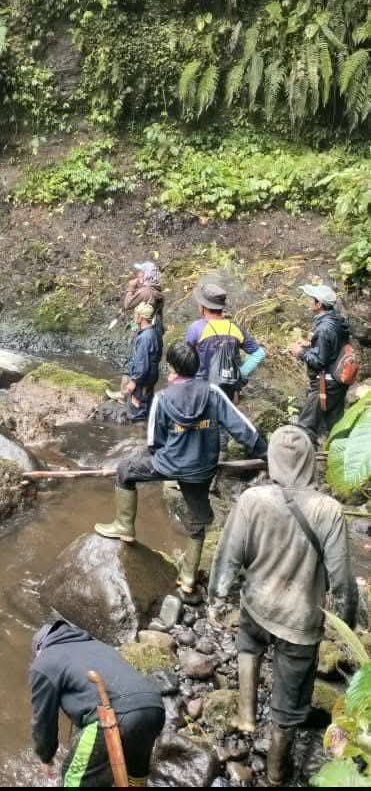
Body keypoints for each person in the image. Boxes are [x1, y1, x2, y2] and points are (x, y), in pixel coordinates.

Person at [209, 425, 357, 786]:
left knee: (249, 644)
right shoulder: (329, 510)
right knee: (289, 700)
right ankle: (276, 772)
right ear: (310, 463)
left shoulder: (252, 499)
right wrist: (346, 623)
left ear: (272, 459)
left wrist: (217, 597)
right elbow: (342, 579)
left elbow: (228, 556)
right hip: (300, 620)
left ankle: (246, 717)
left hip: (257, 605)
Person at [95, 341, 267, 595]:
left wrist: (169, 457)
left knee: (124, 471)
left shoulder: (163, 398)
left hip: (169, 464)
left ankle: (125, 526)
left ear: (172, 368)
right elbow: (242, 428)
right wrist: (267, 454)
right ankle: (187, 578)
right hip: (201, 469)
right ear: (197, 367)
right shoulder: (213, 392)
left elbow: (154, 442)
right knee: (197, 522)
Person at [29, 619, 165, 788]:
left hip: (113, 716)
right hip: (154, 706)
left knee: (74, 779)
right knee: (135, 773)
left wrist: (45, 758)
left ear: (39, 649)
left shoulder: (43, 663)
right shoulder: (96, 646)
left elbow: (43, 720)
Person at [289, 283, 352, 441]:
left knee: (305, 427)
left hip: (325, 385)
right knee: (336, 427)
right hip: (337, 383)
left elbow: (319, 362)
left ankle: (300, 461)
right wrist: (311, 345)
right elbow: (333, 349)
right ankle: (338, 459)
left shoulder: (324, 328)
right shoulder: (337, 321)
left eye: (312, 299)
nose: (309, 302)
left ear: (319, 304)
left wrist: (301, 352)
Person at [184, 282, 265, 402]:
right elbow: (259, 354)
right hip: (230, 392)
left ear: (203, 307)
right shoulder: (235, 328)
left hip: (203, 391)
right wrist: (241, 374)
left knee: (205, 421)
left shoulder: (196, 328)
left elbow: (184, 359)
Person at [124, 303, 163, 422]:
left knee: (136, 412)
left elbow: (142, 364)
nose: (134, 316)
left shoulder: (145, 338)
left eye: (136, 314)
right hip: (150, 379)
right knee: (147, 408)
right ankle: (146, 434)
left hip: (141, 382)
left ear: (141, 317)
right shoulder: (156, 332)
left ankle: (137, 436)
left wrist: (134, 381)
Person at [122, 261, 164, 333]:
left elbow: (127, 305)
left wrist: (131, 288)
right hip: (155, 330)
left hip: (144, 332)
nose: (138, 274)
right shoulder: (156, 290)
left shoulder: (145, 291)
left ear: (147, 274)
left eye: (141, 272)